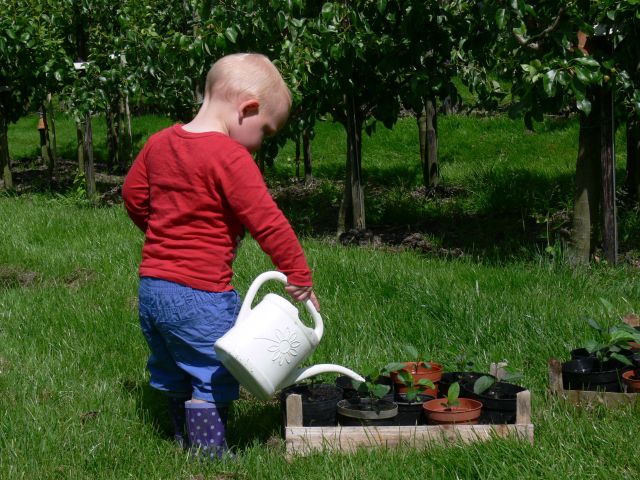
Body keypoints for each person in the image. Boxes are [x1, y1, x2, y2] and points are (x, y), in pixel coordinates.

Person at [122, 53, 319, 460]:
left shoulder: (159, 143)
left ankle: (181, 438)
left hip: (152, 290)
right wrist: (298, 275)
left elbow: (133, 196)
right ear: (246, 109)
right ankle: (209, 454)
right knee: (212, 372)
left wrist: (164, 232)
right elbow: (268, 222)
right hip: (201, 294)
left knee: (173, 366)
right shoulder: (230, 157)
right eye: (265, 131)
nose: (261, 142)